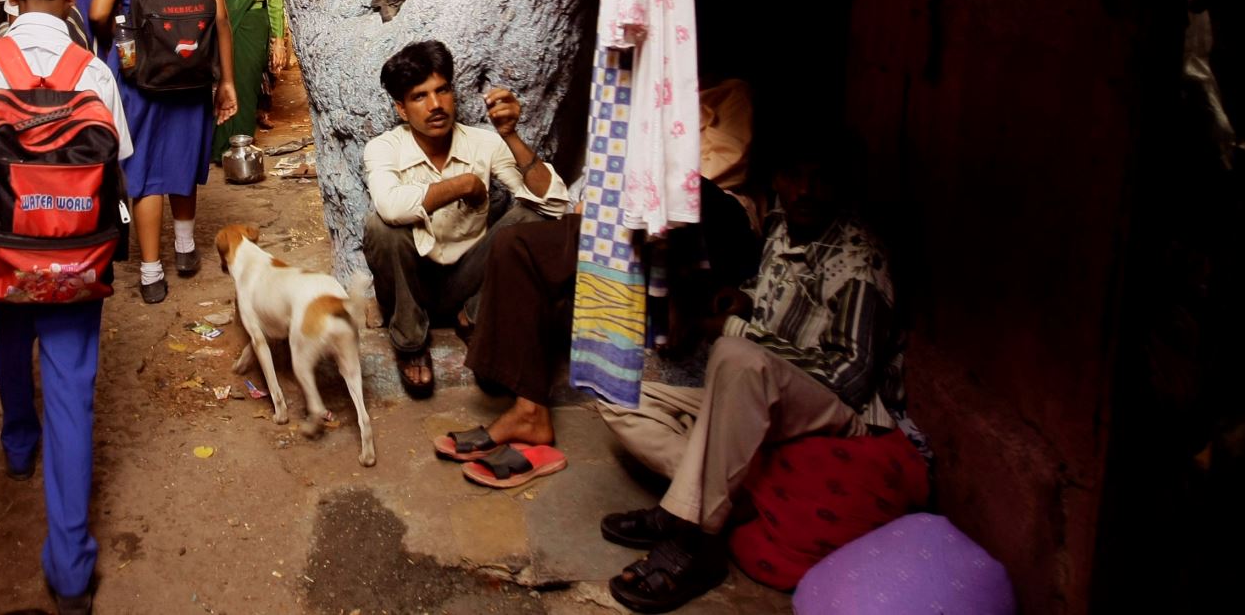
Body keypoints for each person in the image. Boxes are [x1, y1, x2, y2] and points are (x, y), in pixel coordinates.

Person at [595, 133, 912, 612]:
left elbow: (850, 379)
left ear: (839, 184)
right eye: (794, 176)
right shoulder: (784, 224)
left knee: (735, 354)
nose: (805, 190)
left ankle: (694, 538)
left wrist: (740, 329)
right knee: (616, 395)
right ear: (778, 180)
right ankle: (705, 496)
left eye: (819, 179)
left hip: (838, 410)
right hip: (767, 389)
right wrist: (744, 298)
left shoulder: (859, 259)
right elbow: (772, 304)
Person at [0, 0, 133, 615]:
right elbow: (117, 167)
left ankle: (19, 445)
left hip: (5, 244)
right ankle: (71, 572)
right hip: (79, 255)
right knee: (73, 392)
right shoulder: (93, 69)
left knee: (11, 334)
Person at [440, 178, 759, 483]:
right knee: (516, 242)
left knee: (669, 206)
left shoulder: (697, 172)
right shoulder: (622, 149)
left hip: (704, 232)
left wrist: (677, 296)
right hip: (634, 230)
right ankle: (529, 411)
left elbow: (685, 203)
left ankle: (527, 411)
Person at [362, 40, 568, 397]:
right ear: (400, 108)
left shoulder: (483, 143)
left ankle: (473, 319)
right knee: (381, 227)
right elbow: (391, 207)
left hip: (469, 282)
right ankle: (410, 344)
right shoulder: (384, 148)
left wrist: (510, 136)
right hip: (414, 284)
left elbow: (553, 205)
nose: (436, 105)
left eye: (442, 91)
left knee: (531, 218)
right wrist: (463, 184)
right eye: (420, 96)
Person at [88, 0, 239, 303]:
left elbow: (99, 12)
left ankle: (152, 272)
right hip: (192, 74)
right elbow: (221, 19)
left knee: (145, 171)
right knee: (183, 154)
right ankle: (186, 249)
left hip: (140, 78)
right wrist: (226, 80)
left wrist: (120, 38)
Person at [211, 0, 286, 164]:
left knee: (247, 84)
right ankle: (219, 145)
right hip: (222, 30)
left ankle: (240, 142)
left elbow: (275, 6)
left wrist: (278, 41)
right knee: (221, 81)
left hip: (253, 30)